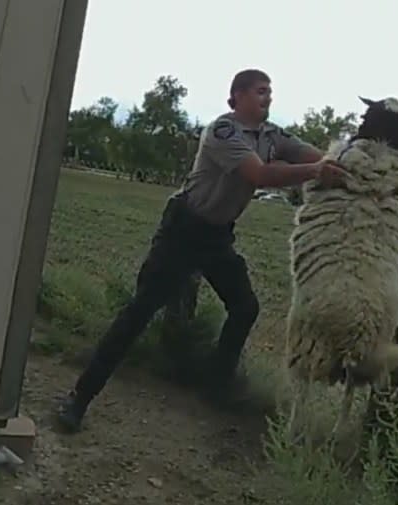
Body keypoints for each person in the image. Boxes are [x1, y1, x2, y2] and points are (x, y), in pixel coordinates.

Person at [55, 68, 350, 433]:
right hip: (184, 231)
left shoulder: (273, 136)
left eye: (270, 92)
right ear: (236, 97)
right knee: (140, 312)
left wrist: (343, 162)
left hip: (217, 237)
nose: (268, 97)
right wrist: (316, 171)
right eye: (260, 91)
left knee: (245, 307)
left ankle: (216, 386)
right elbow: (258, 175)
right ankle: (79, 398)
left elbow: (313, 155)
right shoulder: (223, 131)